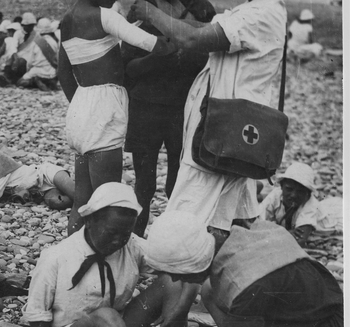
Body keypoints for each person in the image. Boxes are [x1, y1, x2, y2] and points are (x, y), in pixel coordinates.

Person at [131, 0, 287, 243]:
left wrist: (152, 14)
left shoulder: (261, 12)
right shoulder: (258, 9)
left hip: (222, 130)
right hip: (232, 128)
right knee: (230, 218)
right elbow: (205, 27)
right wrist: (169, 19)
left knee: (187, 223)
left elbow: (193, 39)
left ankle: (183, 271)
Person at [116, 211, 344, 327]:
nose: (175, 279)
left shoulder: (249, 284)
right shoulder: (238, 238)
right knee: (210, 292)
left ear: (192, 265)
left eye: (176, 273)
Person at [22, 183, 200, 327]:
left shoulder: (131, 246)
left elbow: (177, 268)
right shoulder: (56, 257)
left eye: (125, 233)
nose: (118, 241)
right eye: (111, 233)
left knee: (172, 282)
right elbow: (37, 319)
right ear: (89, 221)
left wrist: (181, 307)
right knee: (105, 315)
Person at [59, 0, 176, 235]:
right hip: (104, 107)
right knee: (107, 199)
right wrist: (178, 30)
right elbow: (157, 46)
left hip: (82, 104)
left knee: (82, 199)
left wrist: (86, 109)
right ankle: (104, 259)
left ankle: (72, 255)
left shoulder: (68, 19)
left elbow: (64, 72)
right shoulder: (105, 18)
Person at [122, 0, 215, 237]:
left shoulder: (201, 8)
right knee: (144, 184)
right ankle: (134, 241)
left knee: (180, 183)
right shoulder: (142, 10)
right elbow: (126, 68)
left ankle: (175, 242)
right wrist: (156, 59)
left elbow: (212, 57)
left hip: (185, 109)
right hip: (146, 107)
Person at [259, 162, 319, 247]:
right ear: (281, 186)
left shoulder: (311, 204)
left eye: (300, 191)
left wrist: (271, 232)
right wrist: (284, 233)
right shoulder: (276, 195)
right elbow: (257, 224)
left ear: (307, 194)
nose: (293, 195)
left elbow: (299, 241)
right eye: (289, 189)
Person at [0, 154, 75, 210]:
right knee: (58, 202)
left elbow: (3, 158)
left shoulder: (0, 165)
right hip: (43, 190)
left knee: (75, 194)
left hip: (45, 172)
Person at [16, 17, 59, 91]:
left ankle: (35, 82)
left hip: (37, 70)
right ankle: (48, 83)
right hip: (52, 72)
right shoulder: (54, 42)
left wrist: (28, 72)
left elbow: (29, 62)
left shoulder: (36, 42)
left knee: (20, 82)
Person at [0, 12, 38, 87]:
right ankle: (7, 77)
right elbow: (13, 47)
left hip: (30, 56)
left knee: (22, 62)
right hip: (19, 54)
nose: (30, 28)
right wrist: (15, 58)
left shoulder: (36, 34)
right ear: (23, 25)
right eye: (27, 26)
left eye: (31, 26)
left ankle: (15, 80)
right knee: (10, 62)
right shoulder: (18, 33)